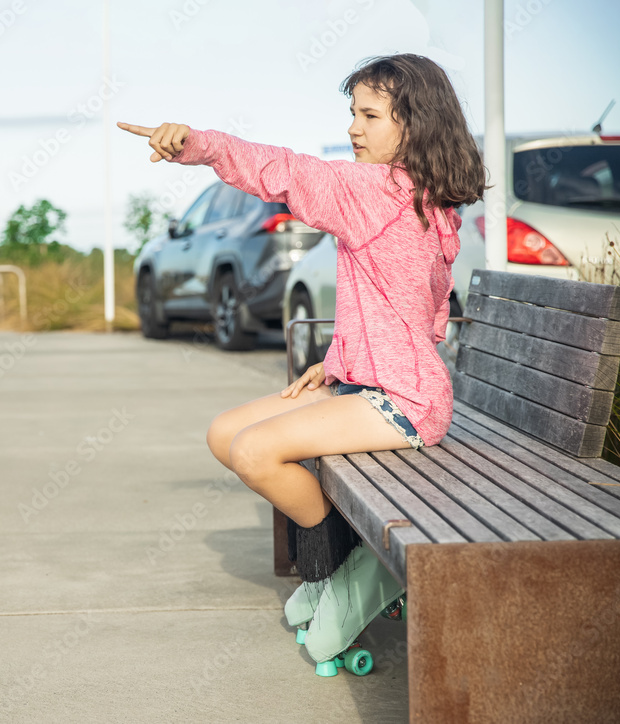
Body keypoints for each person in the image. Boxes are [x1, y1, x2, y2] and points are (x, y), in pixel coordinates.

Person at [118, 53, 486, 675]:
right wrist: (340, 360)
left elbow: (283, 172)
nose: (353, 129)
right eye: (352, 114)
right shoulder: (423, 199)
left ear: (414, 123)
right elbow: (409, 311)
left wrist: (200, 144)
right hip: (369, 382)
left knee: (256, 452)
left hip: (402, 401)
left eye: (370, 115)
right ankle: (351, 560)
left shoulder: (375, 191)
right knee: (225, 433)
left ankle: (352, 565)